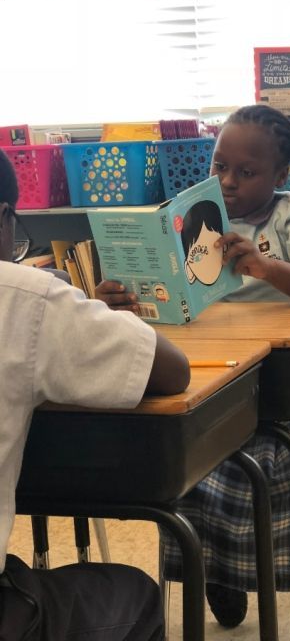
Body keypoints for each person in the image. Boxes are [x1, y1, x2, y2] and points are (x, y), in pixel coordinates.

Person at [97, 104, 290, 629]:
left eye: (246, 173)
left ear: (280, 175)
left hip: (285, 380)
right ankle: (218, 569)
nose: (227, 182)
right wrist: (121, 296)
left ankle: (255, 570)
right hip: (210, 370)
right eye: (218, 166)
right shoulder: (187, 217)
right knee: (188, 454)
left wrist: (266, 268)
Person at [0, 147, 191, 640]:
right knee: (136, 593)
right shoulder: (25, 296)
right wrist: (85, 312)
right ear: (4, 219)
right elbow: (173, 370)